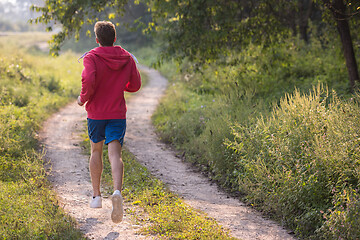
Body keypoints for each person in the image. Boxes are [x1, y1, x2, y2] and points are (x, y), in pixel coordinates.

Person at [77, 20, 141, 223]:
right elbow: (135, 84)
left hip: (96, 113)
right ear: (114, 38)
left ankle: (96, 197)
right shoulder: (127, 57)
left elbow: (88, 79)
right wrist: (121, 86)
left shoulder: (92, 57)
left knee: (96, 151)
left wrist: (82, 98)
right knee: (115, 153)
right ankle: (117, 192)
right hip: (117, 113)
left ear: (97, 40)